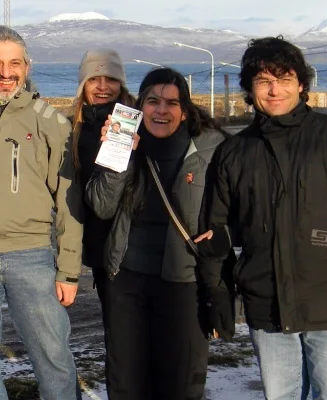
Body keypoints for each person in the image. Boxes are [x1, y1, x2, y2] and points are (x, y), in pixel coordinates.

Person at [197, 36, 327, 399]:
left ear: (301, 84)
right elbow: (214, 233)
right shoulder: (233, 153)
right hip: (266, 304)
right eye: (264, 81)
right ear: (250, 89)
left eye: (284, 80)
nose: (274, 90)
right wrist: (216, 294)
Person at [0, 25, 83, 399]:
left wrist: (69, 271)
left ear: (27, 68)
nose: (5, 72)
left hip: (31, 256)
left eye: (14, 63)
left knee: (52, 355)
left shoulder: (51, 124)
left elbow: (69, 203)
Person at [85, 67, 229, 400]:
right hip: (126, 278)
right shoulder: (125, 139)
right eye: (152, 101)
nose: (161, 110)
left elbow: (236, 206)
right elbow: (101, 206)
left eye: (171, 103)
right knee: (126, 379)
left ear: (184, 110)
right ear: (140, 105)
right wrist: (115, 158)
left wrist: (223, 235)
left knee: (180, 379)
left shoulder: (212, 148)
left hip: (184, 281)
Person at [70, 48, 135, 317]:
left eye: (111, 79)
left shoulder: (138, 122)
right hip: (98, 245)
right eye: (94, 79)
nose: (103, 87)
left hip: (134, 246)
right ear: (83, 84)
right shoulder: (73, 128)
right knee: (115, 327)